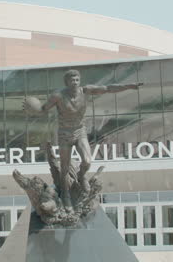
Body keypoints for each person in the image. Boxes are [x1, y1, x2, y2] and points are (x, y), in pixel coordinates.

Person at [24, 69, 142, 210]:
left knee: (87, 161)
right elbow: (43, 109)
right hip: (64, 134)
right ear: (66, 82)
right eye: (72, 80)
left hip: (80, 132)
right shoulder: (58, 96)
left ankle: (81, 176)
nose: (75, 82)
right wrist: (32, 108)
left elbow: (108, 89)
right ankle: (66, 196)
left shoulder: (85, 91)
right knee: (64, 168)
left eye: (77, 80)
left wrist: (130, 86)